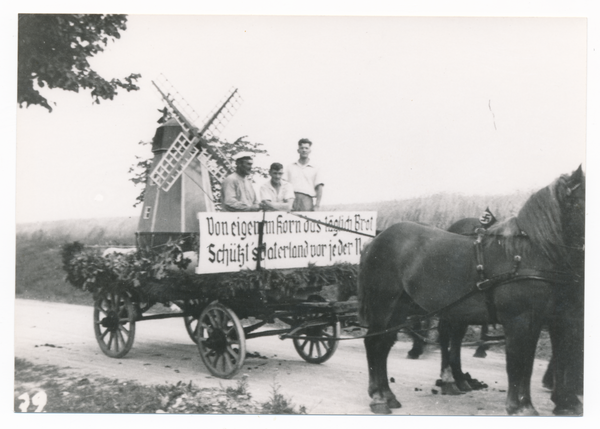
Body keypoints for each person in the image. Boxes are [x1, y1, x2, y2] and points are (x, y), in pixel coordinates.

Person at [285, 138, 324, 211]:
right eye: (302, 148)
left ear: (310, 151)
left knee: (305, 221)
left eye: (306, 148)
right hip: (291, 200)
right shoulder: (290, 167)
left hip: (307, 200)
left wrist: (317, 205)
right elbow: (284, 185)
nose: (304, 150)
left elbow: (320, 187)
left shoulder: (315, 168)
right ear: (298, 150)